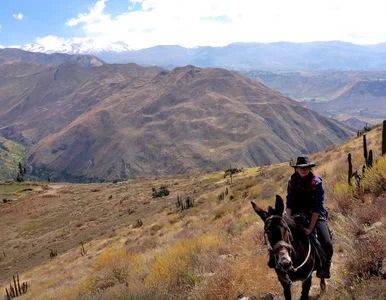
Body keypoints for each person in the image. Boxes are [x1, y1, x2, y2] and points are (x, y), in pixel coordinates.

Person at [282, 156, 333, 278]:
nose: (303, 170)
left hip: (315, 215)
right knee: (281, 236)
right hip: (297, 214)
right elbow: (289, 202)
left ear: (310, 168)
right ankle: (279, 263)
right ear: (297, 169)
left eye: (306, 168)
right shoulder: (291, 182)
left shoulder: (317, 182)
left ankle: (325, 266)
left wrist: (310, 228)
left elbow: (318, 206)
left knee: (327, 243)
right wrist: (288, 218)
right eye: (301, 168)